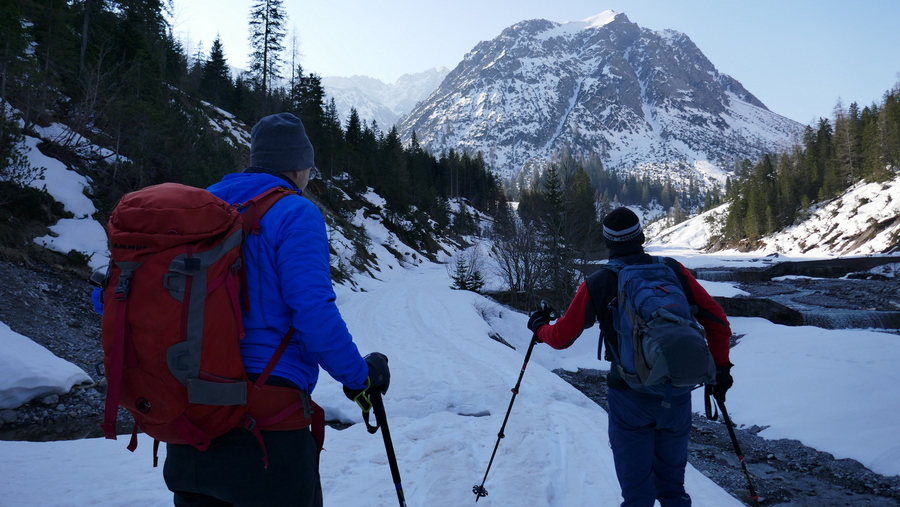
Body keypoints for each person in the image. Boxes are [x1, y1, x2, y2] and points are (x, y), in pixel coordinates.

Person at [161, 112, 389, 507]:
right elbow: (313, 311)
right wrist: (359, 378)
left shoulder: (203, 206)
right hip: (266, 423)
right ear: (299, 167)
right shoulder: (295, 212)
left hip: (193, 415)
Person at [527, 207, 733, 507]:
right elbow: (717, 322)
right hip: (677, 394)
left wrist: (538, 327)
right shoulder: (673, 270)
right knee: (673, 490)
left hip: (630, 397)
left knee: (638, 495)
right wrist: (721, 372)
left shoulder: (597, 282)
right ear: (642, 236)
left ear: (608, 243)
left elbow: (561, 339)